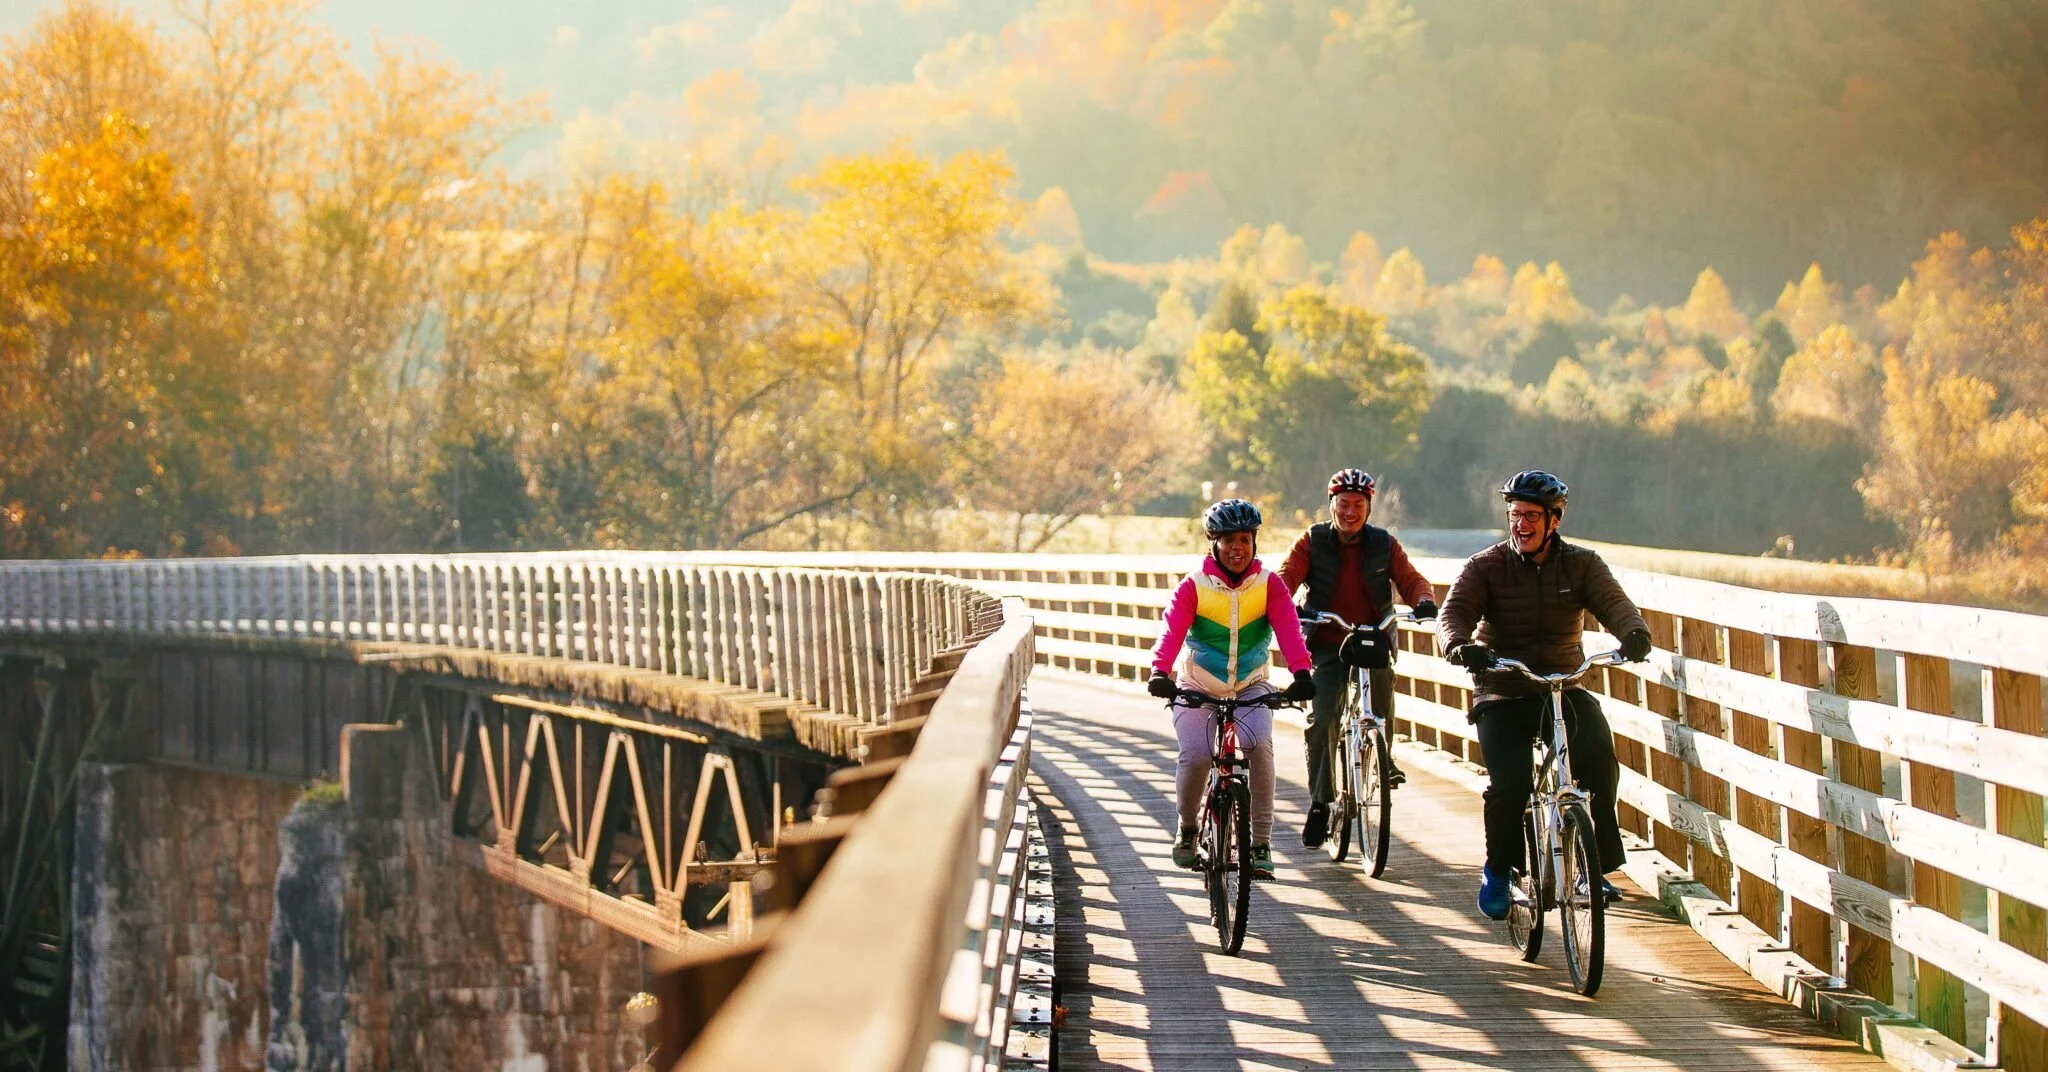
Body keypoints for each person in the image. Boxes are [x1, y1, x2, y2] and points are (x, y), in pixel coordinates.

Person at [1436, 470, 1653, 920]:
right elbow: (1452, 612)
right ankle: (1500, 869)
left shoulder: (1581, 564)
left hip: (1561, 685)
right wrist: (1459, 645)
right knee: (1511, 785)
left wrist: (1634, 633)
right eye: (1515, 515)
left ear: (1554, 520)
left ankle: (1594, 865)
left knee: (1597, 752)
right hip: (1503, 691)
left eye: (1532, 515)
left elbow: (1615, 603)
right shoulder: (1486, 566)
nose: (1521, 524)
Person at [1147, 498, 1316, 880]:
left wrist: (1302, 672)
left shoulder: (1270, 586)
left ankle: (1260, 843)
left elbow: (1290, 631)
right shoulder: (1194, 586)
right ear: (1214, 544)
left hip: (1251, 684)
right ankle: (1188, 828)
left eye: (1244, 539)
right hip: (1199, 684)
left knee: (1259, 747)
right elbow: (1171, 633)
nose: (1237, 548)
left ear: (1254, 542)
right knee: (1196, 755)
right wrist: (1160, 671)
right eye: (1228, 541)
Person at [1278, 468, 1438, 849]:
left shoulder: (1384, 544)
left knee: (1382, 684)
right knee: (1324, 716)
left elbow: (1412, 580)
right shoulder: (1312, 541)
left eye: (1358, 505)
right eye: (1343, 504)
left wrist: (1424, 601)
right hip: (1329, 641)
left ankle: (1384, 756)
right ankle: (1320, 800)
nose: (1350, 512)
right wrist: (1283, 604)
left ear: (1369, 507)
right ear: (1332, 504)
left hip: (1372, 637)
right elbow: (1285, 578)